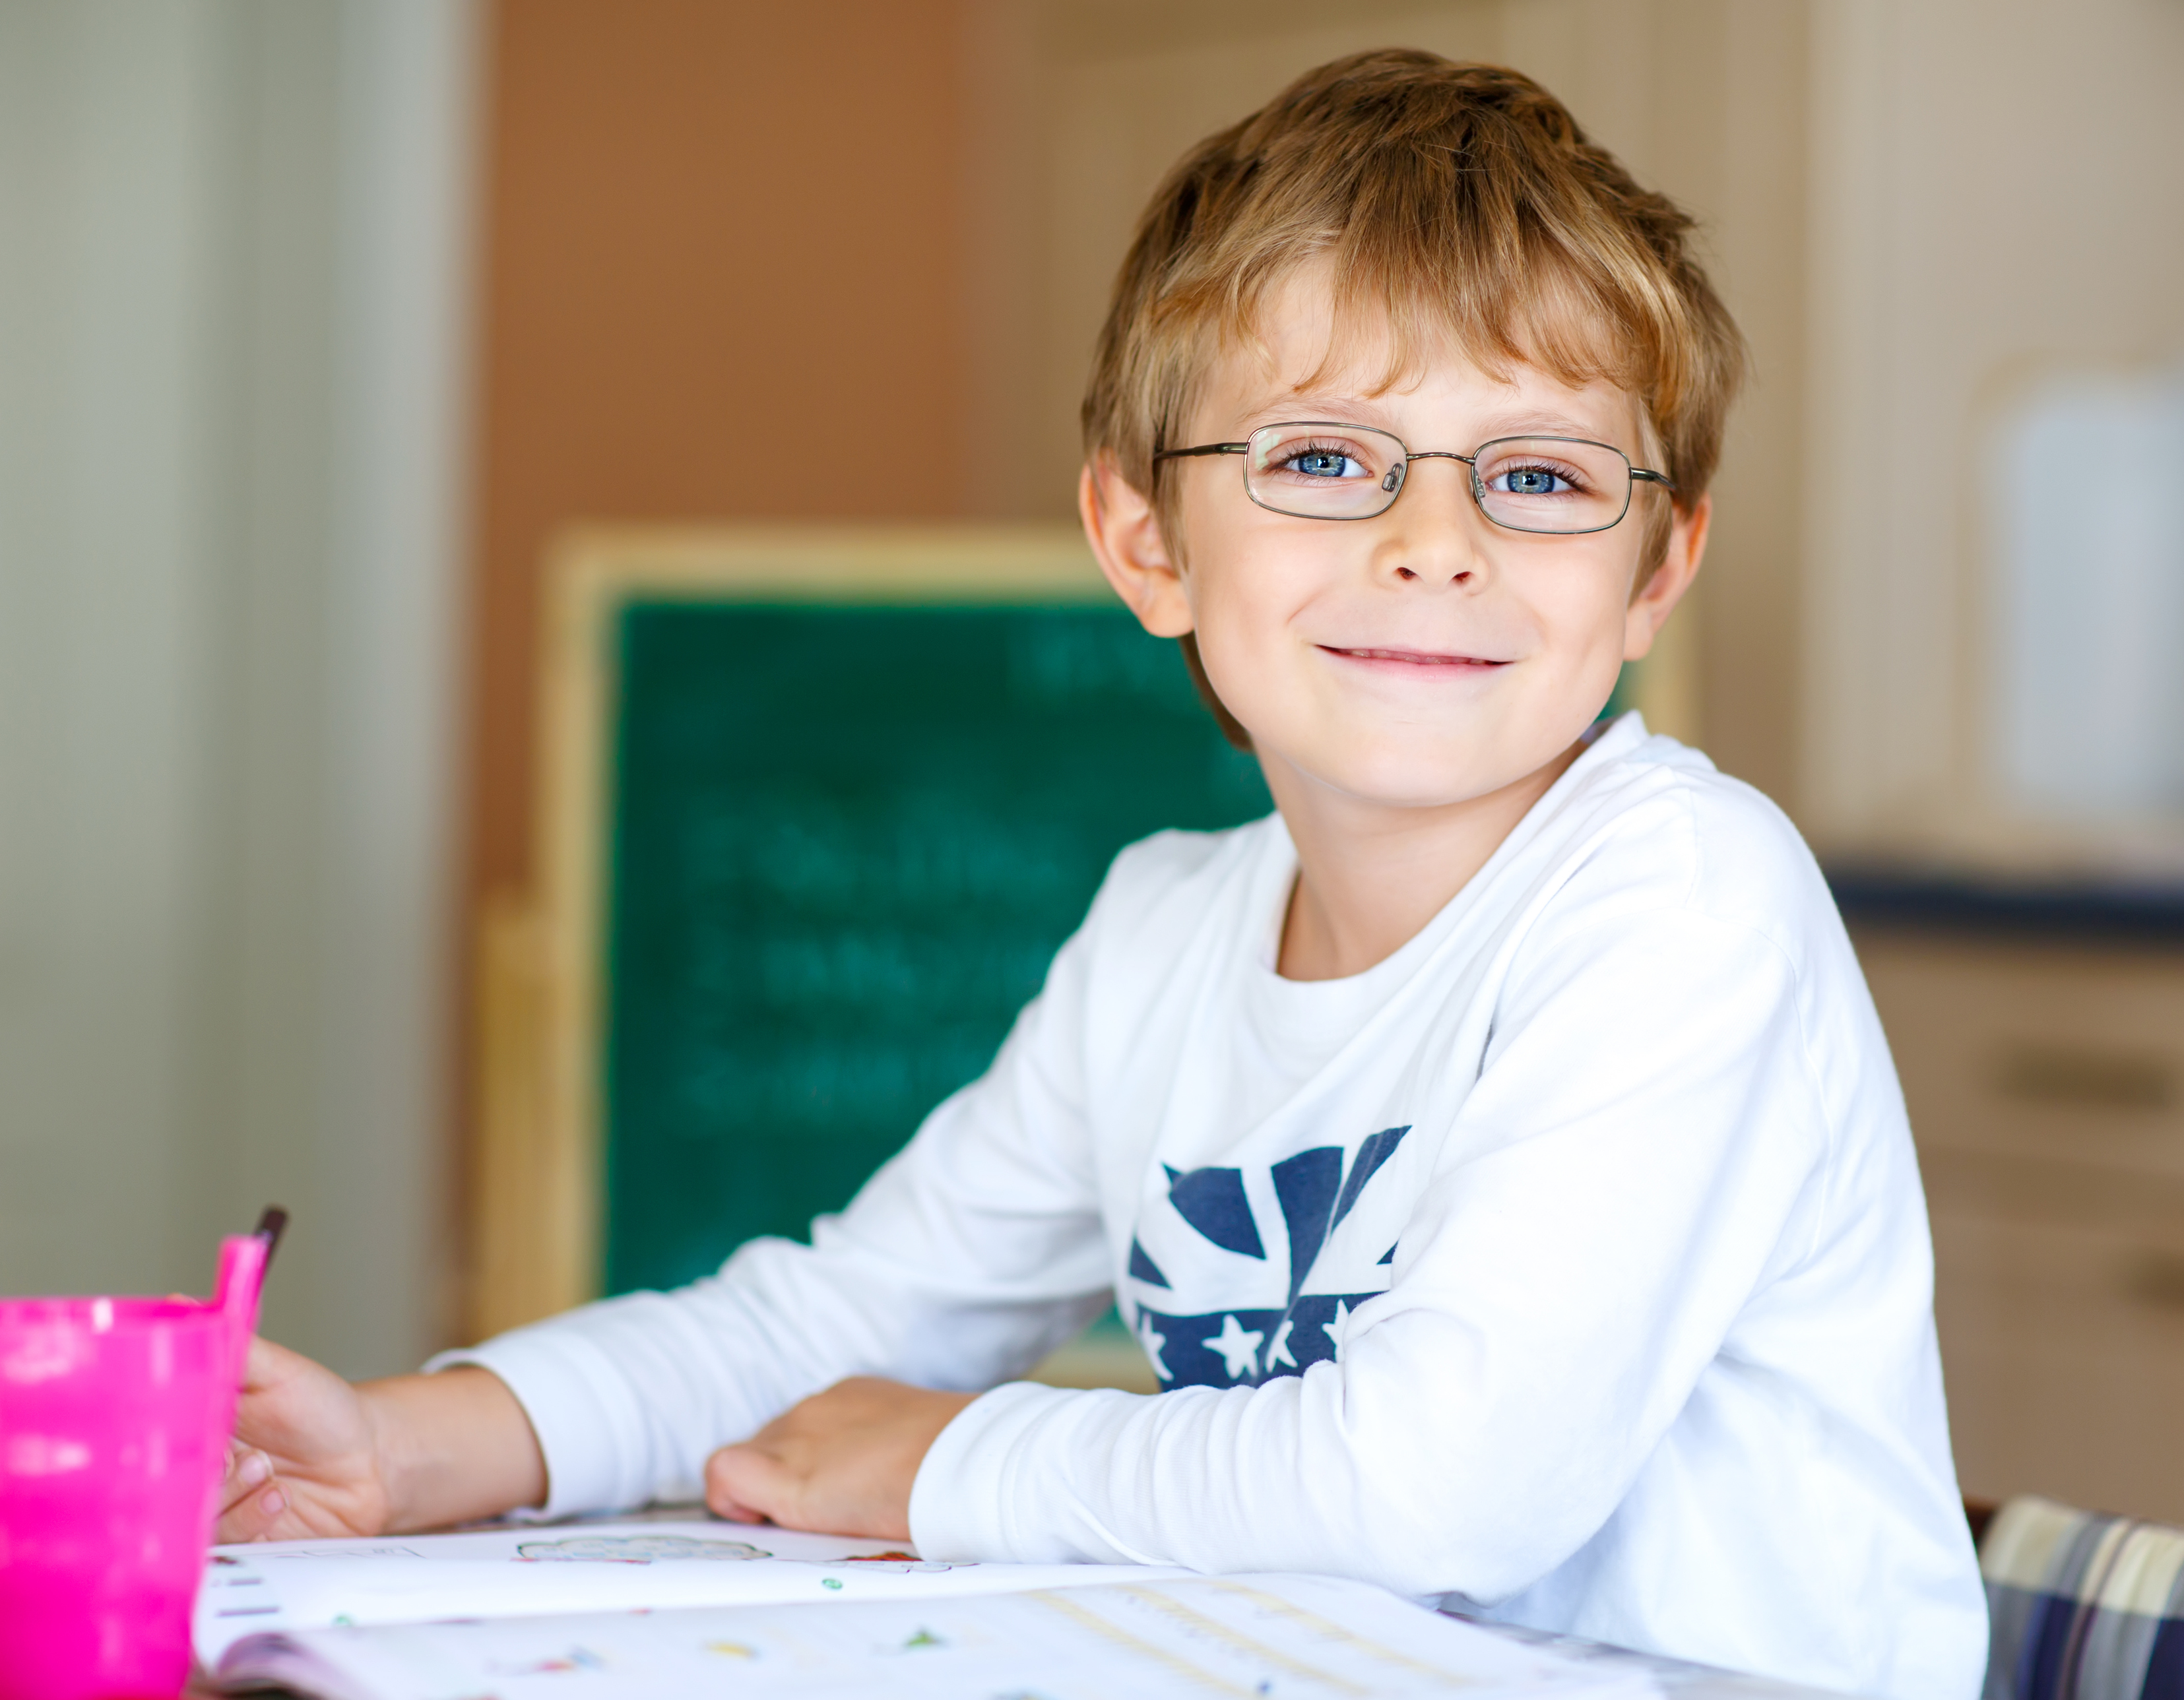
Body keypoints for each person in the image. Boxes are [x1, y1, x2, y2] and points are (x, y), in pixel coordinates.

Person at [218, 48, 1987, 1700]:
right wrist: (415, 1445)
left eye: (1536, 476)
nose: (1433, 545)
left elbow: (1442, 1486)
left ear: (1656, 567)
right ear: (1147, 540)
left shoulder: (1679, 898)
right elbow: (841, 1315)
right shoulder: (1164, 934)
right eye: (1319, 459)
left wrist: (945, 1457)